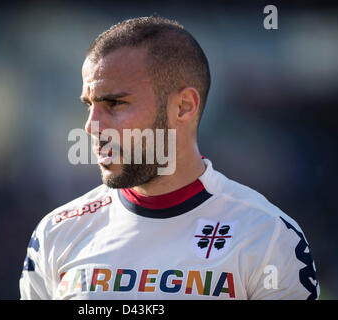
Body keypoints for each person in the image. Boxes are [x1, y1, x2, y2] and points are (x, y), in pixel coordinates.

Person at [19, 16, 319, 300]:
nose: (90, 125)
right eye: (89, 105)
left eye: (114, 103)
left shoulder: (266, 237)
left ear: (183, 107)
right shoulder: (56, 232)